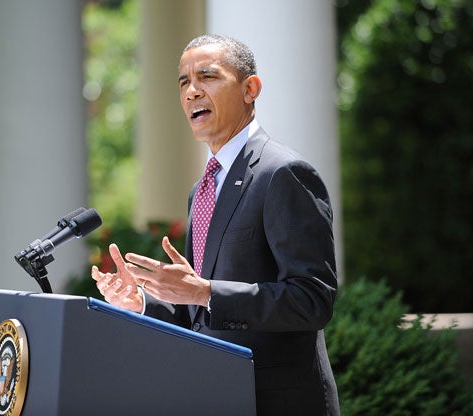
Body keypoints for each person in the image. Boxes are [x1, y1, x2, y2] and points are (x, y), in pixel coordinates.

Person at [92, 34, 340, 415]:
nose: (192, 91)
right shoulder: (203, 189)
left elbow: (312, 301)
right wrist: (142, 302)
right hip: (217, 397)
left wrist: (205, 291)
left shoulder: (283, 173)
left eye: (207, 77)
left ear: (250, 89)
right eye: (184, 82)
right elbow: (199, 311)